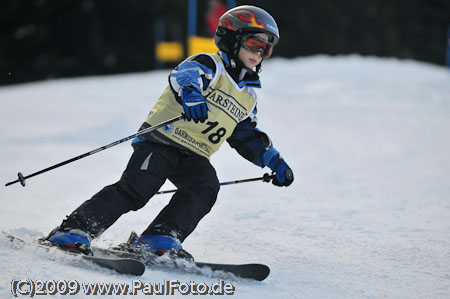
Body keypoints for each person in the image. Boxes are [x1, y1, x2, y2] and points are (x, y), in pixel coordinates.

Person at [45, 5, 294, 260]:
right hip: (161, 140)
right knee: (138, 188)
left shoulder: (248, 95)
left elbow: (246, 136)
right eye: (254, 43)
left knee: (205, 186)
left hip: (195, 154)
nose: (259, 53)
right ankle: (74, 229)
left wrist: (273, 160)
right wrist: (192, 95)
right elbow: (184, 76)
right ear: (233, 38)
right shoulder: (210, 65)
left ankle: (159, 237)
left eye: (266, 48)